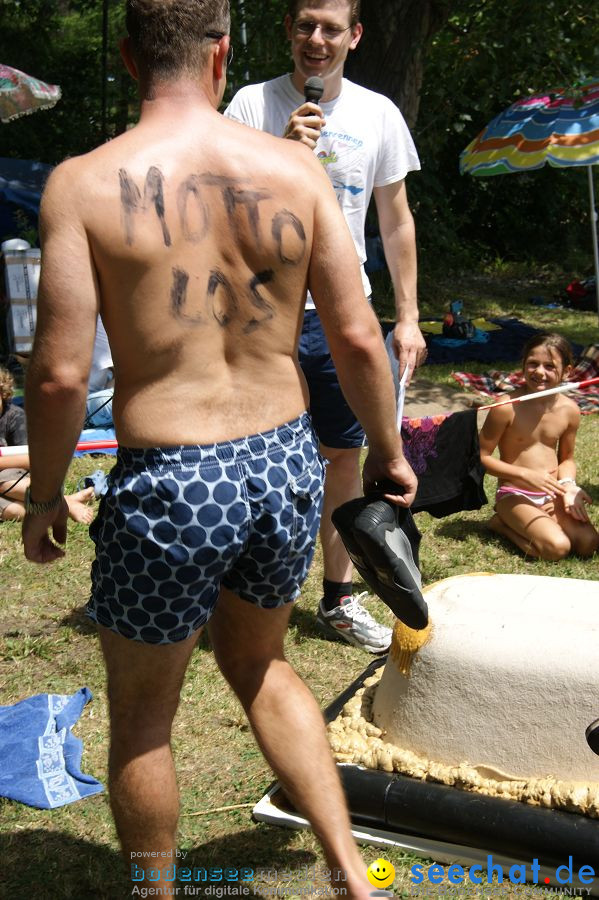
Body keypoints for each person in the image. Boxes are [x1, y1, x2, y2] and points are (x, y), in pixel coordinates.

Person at [22, 1, 417, 894]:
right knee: (262, 663)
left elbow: (55, 375)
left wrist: (47, 494)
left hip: (173, 475)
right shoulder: (292, 167)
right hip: (281, 459)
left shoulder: (84, 182)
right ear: (223, 53)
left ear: (126, 59)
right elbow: (357, 337)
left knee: (146, 717)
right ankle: (353, 874)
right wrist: (389, 451)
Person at [225, 0, 427, 653]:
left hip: (344, 312)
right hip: (264, 313)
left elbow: (394, 221)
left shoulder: (378, 115)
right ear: (288, 30)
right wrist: (277, 156)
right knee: (259, 454)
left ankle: (338, 599)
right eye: (305, 25)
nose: (317, 40)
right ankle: (250, 592)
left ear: (354, 36)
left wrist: (410, 316)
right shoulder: (250, 107)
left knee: (345, 454)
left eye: (330, 28)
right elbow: (217, 209)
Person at [479, 333, 599, 560]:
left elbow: (567, 459)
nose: (539, 372)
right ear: (523, 365)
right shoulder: (506, 406)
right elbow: (481, 457)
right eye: (533, 364)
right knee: (557, 548)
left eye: (550, 366)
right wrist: (525, 474)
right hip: (514, 495)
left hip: (553, 492)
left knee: (589, 544)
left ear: (567, 372)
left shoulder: (570, 410)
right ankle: (501, 524)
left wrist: (568, 486)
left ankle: (546, 522)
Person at [0, 366, 95, 523]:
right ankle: (64, 506)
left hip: (24, 479)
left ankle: (64, 504)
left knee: (3, 482)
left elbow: (34, 460)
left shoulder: (15, 417)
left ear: (3, 393)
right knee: (10, 510)